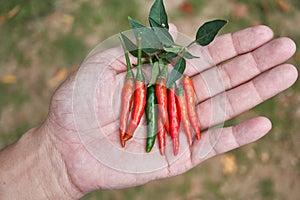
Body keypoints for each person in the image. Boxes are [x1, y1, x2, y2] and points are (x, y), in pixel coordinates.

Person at [0, 24, 297, 199]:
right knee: (159, 104)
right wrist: (56, 158)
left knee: (178, 113)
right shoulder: (140, 86)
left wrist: (54, 165)